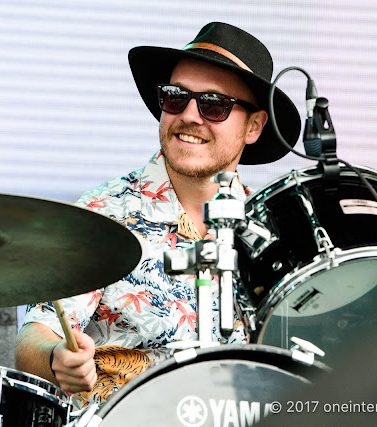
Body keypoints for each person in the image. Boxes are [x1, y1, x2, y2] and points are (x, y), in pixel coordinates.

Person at [15, 21, 301, 410]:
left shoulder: (273, 236)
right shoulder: (102, 213)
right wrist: (56, 358)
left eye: (213, 104)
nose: (190, 115)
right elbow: (35, 335)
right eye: (175, 97)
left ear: (253, 126)